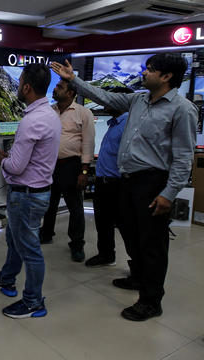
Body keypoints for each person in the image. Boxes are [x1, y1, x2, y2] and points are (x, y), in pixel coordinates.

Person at [51, 54, 197, 321]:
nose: (144, 72)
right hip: (127, 181)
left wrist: (169, 193)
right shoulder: (138, 99)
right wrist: (74, 80)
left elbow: (184, 156)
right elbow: (104, 97)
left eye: (150, 69)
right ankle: (138, 277)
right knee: (131, 235)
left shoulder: (182, 109)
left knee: (152, 244)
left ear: (166, 77)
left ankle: (151, 301)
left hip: (154, 183)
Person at [0, 63, 61, 319]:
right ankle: (7, 279)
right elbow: (30, 159)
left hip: (26, 196)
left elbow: (16, 166)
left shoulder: (30, 121)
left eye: (21, 80)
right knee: (15, 239)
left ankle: (33, 301)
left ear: (26, 87)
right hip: (36, 192)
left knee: (29, 249)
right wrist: (7, 156)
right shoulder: (50, 115)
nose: (19, 86)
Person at [40, 80, 95, 263]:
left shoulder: (83, 113)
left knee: (75, 208)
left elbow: (88, 143)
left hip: (72, 166)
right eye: (55, 87)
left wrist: (85, 171)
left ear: (71, 93)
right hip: (49, 165)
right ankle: (46, 233)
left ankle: (77, 244)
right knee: (49, 202)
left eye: (59, 87)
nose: (54, 89)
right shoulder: (49, 110)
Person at [85, 87, 134, 268]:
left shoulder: (128, 124)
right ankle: (106, 255)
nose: (106, 102)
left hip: (118, 184)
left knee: (126, 227)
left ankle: (138, 269)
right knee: (103, 223)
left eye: (112, 99)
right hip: (103, 183)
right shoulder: (115, 123)